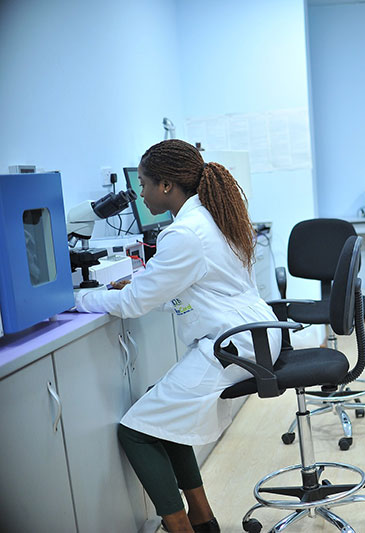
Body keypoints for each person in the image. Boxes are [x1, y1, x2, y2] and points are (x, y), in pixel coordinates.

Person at [75, 139, 282, 532]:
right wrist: (142, 284)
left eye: (145, 183)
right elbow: (189, 283)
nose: (140, 192)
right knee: (163, 414)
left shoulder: (185, 233)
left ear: (167, 186)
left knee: (135, 431)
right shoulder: (212, 218)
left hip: (230, 347)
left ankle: (181, 526)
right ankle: (203, 520)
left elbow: (135, 303)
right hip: (251, 337)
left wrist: (79, 300)